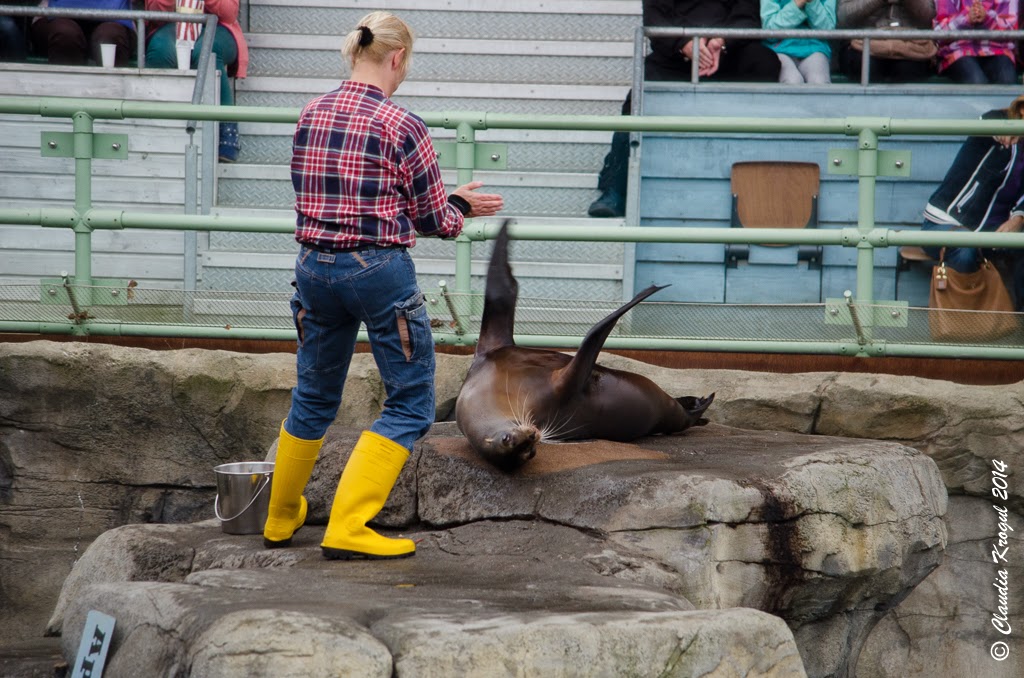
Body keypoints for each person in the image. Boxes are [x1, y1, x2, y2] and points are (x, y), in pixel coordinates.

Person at [262, 11, 503, 560]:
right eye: (405, 65)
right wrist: (459, 206)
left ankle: (279, 516)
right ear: (396, 58)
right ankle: (349, 526)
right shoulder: (404, 125)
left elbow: (319, 195)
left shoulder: (310, 112)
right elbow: (433, 220)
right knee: (412, 402)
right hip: (377, 272)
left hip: (313, 268)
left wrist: (445, 204)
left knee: (315, 396)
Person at [588, 0, 781, 218]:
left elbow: (748, 17)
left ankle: (762, 176)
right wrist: (684, 44)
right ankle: (616, 188)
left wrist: (722, 41)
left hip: (726, 53)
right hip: (675, 56)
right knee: (640, 93)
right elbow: (655, 17)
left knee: (764, 62)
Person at [921, 95, 1024, 310]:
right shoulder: (999, 124)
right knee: (965, 248)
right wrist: (1002, 127)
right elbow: (986, 121)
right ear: (1021, 109)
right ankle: (964, 329)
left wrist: (1019, 217)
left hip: (994, 230)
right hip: (946, 223)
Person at [144, 0, 248, 162]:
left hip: (219, 26)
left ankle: (227, 130)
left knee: (207, 50)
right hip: (172, 24)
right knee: (160, 50)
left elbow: (229, 13)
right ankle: (156, 126)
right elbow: (154, 11)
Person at [836, 0, 935, 83]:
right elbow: (843, 18)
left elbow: (929, 18)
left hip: (910, 43)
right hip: (862, 44)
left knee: (907, 68)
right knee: (868, 67)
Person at [934, 0, 1019, 84]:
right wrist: (966, 19)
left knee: (1007, 78)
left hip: (999, 50)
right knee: (975, 80)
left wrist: (988, 18)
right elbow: (938, 35)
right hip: (958, 51)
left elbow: (1012, 31)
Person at [30, 0, 135, 66]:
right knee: (65, 35)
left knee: (110, 38)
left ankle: (111, 97)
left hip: (114, 18)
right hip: (56, 16)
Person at [761, 0, 836, 84]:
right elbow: (769, 30)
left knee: (819, 81)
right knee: (792, 81)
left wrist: (812, 3)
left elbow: (828, 30)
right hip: (779, 50)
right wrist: (796, 4)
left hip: (815, 48)